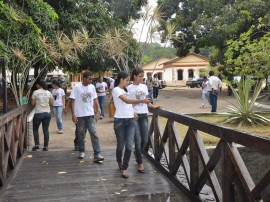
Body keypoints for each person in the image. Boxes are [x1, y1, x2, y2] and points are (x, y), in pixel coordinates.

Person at [112, 71, 151, 178]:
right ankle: (119, 161)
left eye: (129, 80)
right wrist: (142, 100)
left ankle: (124, 168)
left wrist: (133, 112)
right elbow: (127, 101)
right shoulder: (116, 90)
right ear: (121, 80)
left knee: (129, 146)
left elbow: (129, 105)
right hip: (120, 121)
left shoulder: (125, 90)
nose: (128, 82)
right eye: (127, 80)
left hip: (130, 121)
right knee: (121, 145)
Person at [127, 68, 161, 173]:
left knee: (145, 140)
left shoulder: (144, 87)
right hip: (135, 117)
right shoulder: (129, 88)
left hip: (144, 115)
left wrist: (153, 106)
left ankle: (137, 153)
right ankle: (140, 162)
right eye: (140, 76)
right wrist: (132, 112)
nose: (142, 78)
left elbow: (147, 101)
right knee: (137, 140)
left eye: (142, 76)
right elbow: (127, 103)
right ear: (134, 76)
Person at [70, 71, 104, 161]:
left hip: (90, 114)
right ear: (84, 78)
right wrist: (73, 114)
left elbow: (95, 98)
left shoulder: (92, 87)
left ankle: (97, 153)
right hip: (80, 115)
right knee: (81, 134)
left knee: (94, 133)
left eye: (92, 79)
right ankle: (81, 151)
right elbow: (72, 101)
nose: (91, 81)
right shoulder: (77, 87)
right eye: (89, 79)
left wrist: (98, 108)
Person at [31, 80, 53, 151]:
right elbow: (51, 103)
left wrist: (37, 101)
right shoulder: (48, 92)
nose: (36, 86)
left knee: (35, 129)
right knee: (46, 129)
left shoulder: (35, 92)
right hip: (47, 113)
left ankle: (37, 145)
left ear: (39, 85)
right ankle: (45, 146)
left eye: (36, 85)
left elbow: (33, 104)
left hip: (38, 113)